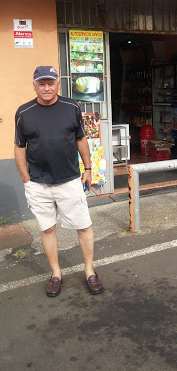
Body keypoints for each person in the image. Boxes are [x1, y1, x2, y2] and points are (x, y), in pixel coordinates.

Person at [14, 66, 103, 298]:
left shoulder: (71, 106)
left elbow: (81, 138)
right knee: (48, 228)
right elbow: (19, 146)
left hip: (69, 180)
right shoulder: (24, 112)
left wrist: (89, 169)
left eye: (50, 83)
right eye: (41, 83)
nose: (46, 87)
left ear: (58, 84)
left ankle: (90, 271)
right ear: (34, 85)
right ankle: (56, 274)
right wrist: (25, 178)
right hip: (38, 184)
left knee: (83, 226)